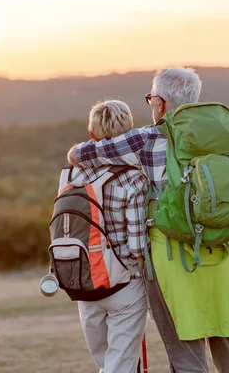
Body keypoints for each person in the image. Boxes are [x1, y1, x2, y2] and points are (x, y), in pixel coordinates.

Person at [67, 67, 229, 373]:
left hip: (171, 258)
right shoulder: (226, 138)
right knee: (228, 347)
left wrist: (78, 150)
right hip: (223, 253)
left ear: (160, 102)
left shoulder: (146, 138)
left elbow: (80, 154)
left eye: (150, 99)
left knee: (186, 354)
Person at [59, 100, 149, 373]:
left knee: (107, 363)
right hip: (124, 285)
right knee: (119, 365)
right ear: (129, 134)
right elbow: (137, 246)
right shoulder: (134, 179)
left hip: (83, 280)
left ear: (92, 136)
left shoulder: (71, 174)